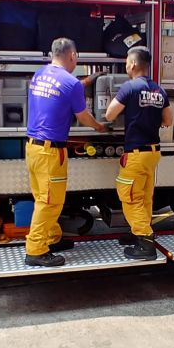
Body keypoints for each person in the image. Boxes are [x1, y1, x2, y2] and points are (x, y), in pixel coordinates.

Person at [25, 37, 108, 267]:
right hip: (51, 152)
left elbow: (63, 88)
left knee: (42, 197)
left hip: (33, 148)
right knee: (50, 202)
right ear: (72, 56)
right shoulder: (70, 83)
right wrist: (99, 126)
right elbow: (82, 116)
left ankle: (51, 238)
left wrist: (89, 80)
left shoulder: (40, 74)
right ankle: (36, 249)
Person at [104, 46, 171, 260]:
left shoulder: (129, 87)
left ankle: (145, 242)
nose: (125, 65)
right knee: (144, 195)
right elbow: (168, 121)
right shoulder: (159, 90)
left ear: (133, 64)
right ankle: (139, 233)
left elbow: (109, 114)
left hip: (136, 152)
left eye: (126, 62)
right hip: (153, 152)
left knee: (130, 196)